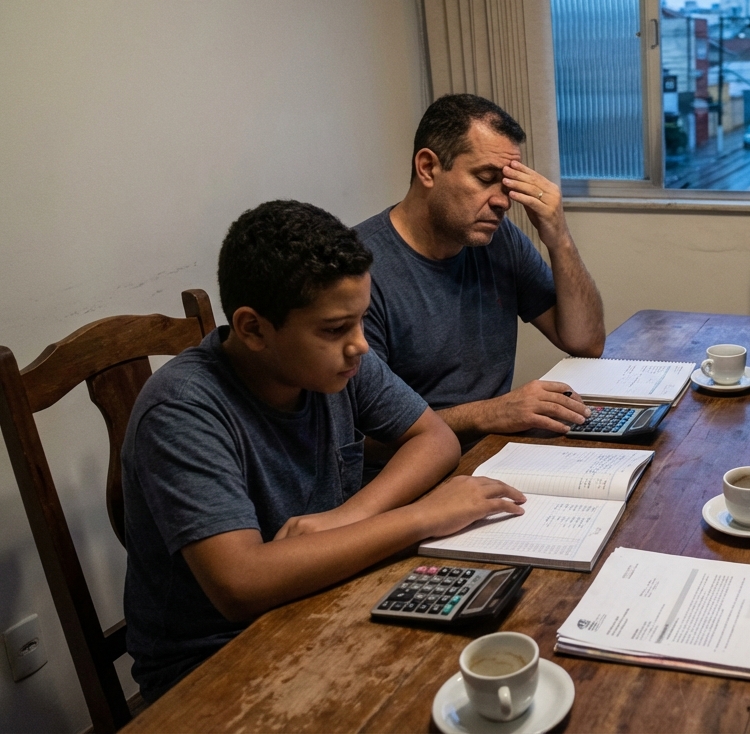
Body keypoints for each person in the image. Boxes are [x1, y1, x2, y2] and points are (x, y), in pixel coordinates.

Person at [121, 201, 527, 701]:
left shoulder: (334, 361)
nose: (359, 344)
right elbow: (241, 584)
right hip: (217, 662)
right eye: (336, 328)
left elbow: (435, 438)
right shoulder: (183, 409)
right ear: (252, 329)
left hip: (328, 596)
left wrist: (348, 516)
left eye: (360, 320)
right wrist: (422, 517)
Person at [356, 94, 605, 448]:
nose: (503, 201)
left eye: (507, 186)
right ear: (428, 168)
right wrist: (490, 414)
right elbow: (358, 438)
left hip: (494, 452)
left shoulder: (499, 240)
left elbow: (585, 342)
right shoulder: (359, 270)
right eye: (486, 178)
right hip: (412, 472)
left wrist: (559, 237)